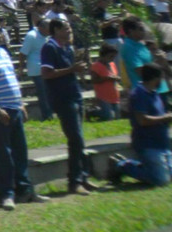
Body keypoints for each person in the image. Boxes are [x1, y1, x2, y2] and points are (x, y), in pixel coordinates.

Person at [0, 20, 48, 210]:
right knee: (3, 153)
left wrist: (21, 104)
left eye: (0, 30)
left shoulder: (3, 52)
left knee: (20, 151)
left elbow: (11, 78)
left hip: (14, 108)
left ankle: (25, 190)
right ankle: (6, 193)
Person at [41, 18, 96, 195]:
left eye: (70, 27)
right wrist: (72, 69)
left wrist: (77, 71)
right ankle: (75, 181)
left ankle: (83, 177)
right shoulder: (49, 48)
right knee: (76, 139)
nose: (69, 30)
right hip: (63, 99)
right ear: (56, 30)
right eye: (66, 28)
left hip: (75, 95)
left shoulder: (67, 47)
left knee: (79, 139)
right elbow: (47, 74)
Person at [110, 63, 172, 186]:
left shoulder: (154, 93)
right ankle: (121, 166)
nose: (162, 81)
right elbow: (142, 120)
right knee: (161, 180)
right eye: (161, 78)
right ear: (155, 78)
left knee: (167, 176)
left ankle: (129, 164)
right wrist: (166, 117)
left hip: (162, 144)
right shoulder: (139, 94)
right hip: (148, 144)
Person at [19, 17, 53, 120]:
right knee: (43, 93)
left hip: (47, 67)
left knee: (48, 92)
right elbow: (23, 53)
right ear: (41, 28)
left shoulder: (47, 36)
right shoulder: (31, 36)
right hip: (37, 68)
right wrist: (21, 67)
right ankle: (47, 115)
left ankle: (50, 113)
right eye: (49, 29)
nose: (50, 31)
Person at [91, 43, 122, 120]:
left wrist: (117, 78)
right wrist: (106, 78)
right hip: (103, 96)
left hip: (114, 95)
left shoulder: (112, 64)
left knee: (117, 117)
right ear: (104, 55)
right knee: (109, 117)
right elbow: (94, 80)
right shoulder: (96, 66)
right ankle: (92, 112)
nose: (112, 59)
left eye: (114, 57)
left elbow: (114, 75)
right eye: (110, 56)